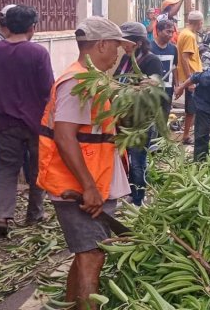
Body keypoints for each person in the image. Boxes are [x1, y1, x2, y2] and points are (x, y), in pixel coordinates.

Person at [36, 17, 133, 310]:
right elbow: (65, 137)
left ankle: (68, 305)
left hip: (93, 182)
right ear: (101, 44)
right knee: (93, 256)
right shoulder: (77, 81)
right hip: (78, 188)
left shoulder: (91, 80)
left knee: (85, 254)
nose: (117, 53)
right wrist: (88, 187)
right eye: (115, 45)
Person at [0, 5, 54, 239]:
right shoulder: (38, 53)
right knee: (37, 170)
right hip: (36, 123)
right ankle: (34, 213)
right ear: (32, 27)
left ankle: (2, 216)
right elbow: (48, 90)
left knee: (4, 168)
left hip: (6, 122)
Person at [114, 22, 163, 206]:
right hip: (125, 117)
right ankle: (131, 192)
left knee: (137, 161)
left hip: (141, 120)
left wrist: (138, 88)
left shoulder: (151, 60)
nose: (122, 45)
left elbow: (155, 87)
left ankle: (139, 199)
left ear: (139, 42)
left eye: (126, 41)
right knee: (126, 158)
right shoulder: (126, 59)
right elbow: (116, 80)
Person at [176, 10, 204, 145]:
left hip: (192, 77)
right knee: (192, 109)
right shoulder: (189, 36)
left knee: (192, 108)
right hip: (193, 77)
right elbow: (185, 58)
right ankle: (187, 135)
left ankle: (191, 134)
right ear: (198, 23)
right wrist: (190, 80)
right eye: (201, 22)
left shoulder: (184, 33)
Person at [151, 20, 178, 117]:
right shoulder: (149, 48)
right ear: (158, 31)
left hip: (167, 91)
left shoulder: (173, 49)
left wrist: (177, 86)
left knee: (164, 117)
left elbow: (174, 67)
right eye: (168, 31)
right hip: (152, 91)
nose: (170, 35)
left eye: (172, 32)